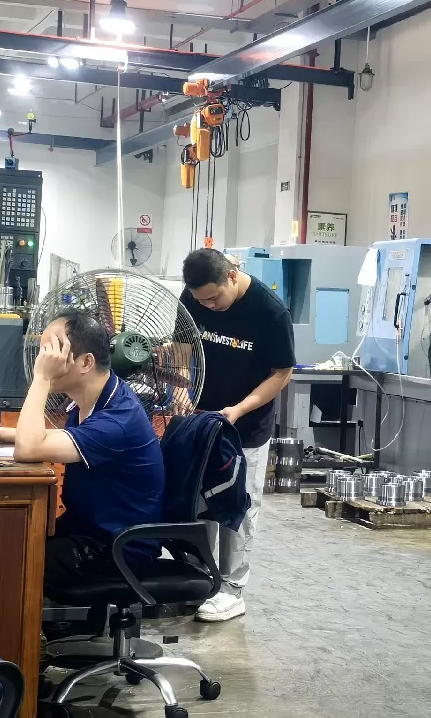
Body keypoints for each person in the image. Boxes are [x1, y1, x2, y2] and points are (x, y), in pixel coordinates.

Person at [0, 309, 163, 591]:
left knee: (3, 558)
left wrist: (41, 379)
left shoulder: (118, 419)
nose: (44, 360)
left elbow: (29, 449)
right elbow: (63, 438)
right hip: (85, 530)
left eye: (53, 351)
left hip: (117, 548)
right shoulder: (95, 400)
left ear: (86, 362)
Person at [177, 248, 296, 622]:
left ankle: (232, 589)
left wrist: (240, 409)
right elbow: (181, 346)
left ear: (231, 275)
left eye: (214, 298)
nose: (208, 306)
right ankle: (198, 579)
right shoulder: (193, 298)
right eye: (201, 301)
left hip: (245, 426)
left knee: (237, 507)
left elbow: (281, 373)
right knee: (198, 501)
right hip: (200, 419)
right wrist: (181, 386)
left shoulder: (270, 312)